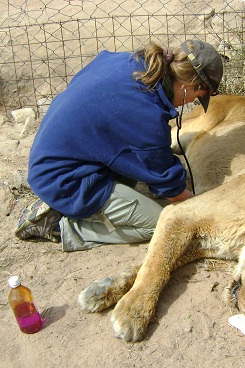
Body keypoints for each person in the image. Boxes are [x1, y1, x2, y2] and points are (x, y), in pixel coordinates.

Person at [14, 39, 224, 252]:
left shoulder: (133, 63)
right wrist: (203, 207)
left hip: (58, 157)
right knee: (165, 226)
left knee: (139, 165)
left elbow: (152, 158)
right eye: (197, 97)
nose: (189, 104)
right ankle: (64, 227)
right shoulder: (145, 114)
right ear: (190, 87)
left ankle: (64, 206)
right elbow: (170, 188)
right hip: (65, 181)